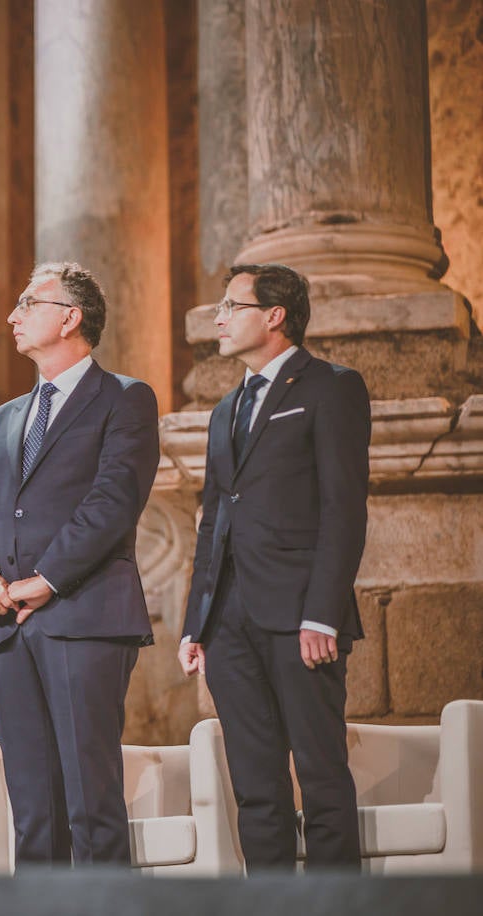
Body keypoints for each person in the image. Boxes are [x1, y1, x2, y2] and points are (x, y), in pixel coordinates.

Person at [0, 262, 159, 867]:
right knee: (34, 812)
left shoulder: (125, 398)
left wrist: (44, 580)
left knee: (91, 804)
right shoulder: (4, 417)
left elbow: (114, 499)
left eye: (27, 303)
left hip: (82, 613)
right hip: (6, 628)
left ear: (70, 317)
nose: (12, 316)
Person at [178, 263, 368, 871]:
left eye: (232, 306)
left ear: (274, 315)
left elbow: (344, 509)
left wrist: (322, 614)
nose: (220, 317)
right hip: (228, 623)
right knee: (255, 788)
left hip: (300, 616)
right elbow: (214, 520)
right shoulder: (225, 409)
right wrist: (195, 623)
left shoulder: (331, 387)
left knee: (321, 775)